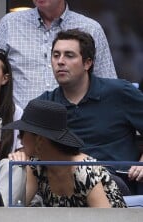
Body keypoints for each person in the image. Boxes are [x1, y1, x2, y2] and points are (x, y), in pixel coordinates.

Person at [34, 28, 143, 194]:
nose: (60, 61)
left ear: (87, 63)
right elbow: (31, 150)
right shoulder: (44, 104)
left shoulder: (120, 92)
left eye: (69, 55)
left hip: (117, 186)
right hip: (62, 189)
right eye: (56, 55)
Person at [0, 0, 117, 109]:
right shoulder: (9, 24)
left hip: (75, 126)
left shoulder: (91, 28)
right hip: (22, 128)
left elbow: (108, 86)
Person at [4, 99, 127, 207]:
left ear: (39, 140)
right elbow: (18, 208)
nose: (19, 139)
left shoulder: (85, 171)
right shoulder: (36, 167)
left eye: (22, 134)